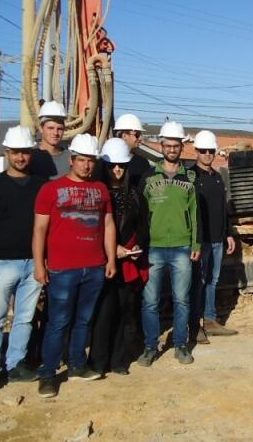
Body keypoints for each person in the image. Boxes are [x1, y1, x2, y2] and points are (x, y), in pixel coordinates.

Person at [33, 134, 117, 398]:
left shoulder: (101, 190)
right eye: (81, 160)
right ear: (71, 160)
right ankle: (48, 374)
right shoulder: (51, 189)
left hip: (94, 266)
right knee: (58, 322)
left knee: (84, 320)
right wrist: (39, 264)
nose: (86, 165)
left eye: (90, 160)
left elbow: (108, 225)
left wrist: (111, 258)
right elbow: (39, 229)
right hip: (62, 268)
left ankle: (77, 365)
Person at [0, 126, 48, 392]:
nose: (21, 157)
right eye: (16, 152)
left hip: (33, 261)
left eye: (25, 152)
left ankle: (15, 364)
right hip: (0, 264)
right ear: (6, 153)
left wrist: (44, 260)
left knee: (24, 317)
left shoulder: (41, 186)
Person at [138, 121, 200, 366]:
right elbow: (141, 215)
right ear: (161, 146)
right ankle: (150, 346)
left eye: (176, 146)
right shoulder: (148, 177)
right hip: (154, 247)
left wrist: (196, 244)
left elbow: (195, 214)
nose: (172, 149)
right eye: (168, 145)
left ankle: (180, 345)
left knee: (181, 300)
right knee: (150, 301)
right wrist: (141, 244)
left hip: (182, 247)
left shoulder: (190, 177)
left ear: (181, 147)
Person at [88, 138, 149, 376]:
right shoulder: (95, 194)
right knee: (103, 312)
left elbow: (143, 227)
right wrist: (112, 249)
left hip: (127, 264)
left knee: (125, 310)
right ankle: (98, 361)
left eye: (121, 166)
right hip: (101, 262)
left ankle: (119, 360)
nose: (117, 170)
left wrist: (136, 247)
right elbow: (90, 228)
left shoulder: (135, 196)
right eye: (112, 165)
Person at [189, 130, 238, 344]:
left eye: (211, 150)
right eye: (203, 151)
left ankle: (210, 319)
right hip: (201, 241)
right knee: (198, 282)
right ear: (196, 151)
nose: (208, 154)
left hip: (218, 238)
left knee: (212, 280)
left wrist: (228, 234)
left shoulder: (218, 178)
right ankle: (195, 324)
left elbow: (223, 209)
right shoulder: (191, 177)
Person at [29, 100, 70, 179]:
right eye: (50, 128)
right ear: (41, 128)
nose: (55, 133)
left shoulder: (70, 159)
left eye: (60, 129)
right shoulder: (29, 157)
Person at [113, 113, 152, 188]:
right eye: (137, 135)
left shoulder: (142, 162)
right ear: (124, 136)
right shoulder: (108, 161)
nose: (140, 138)